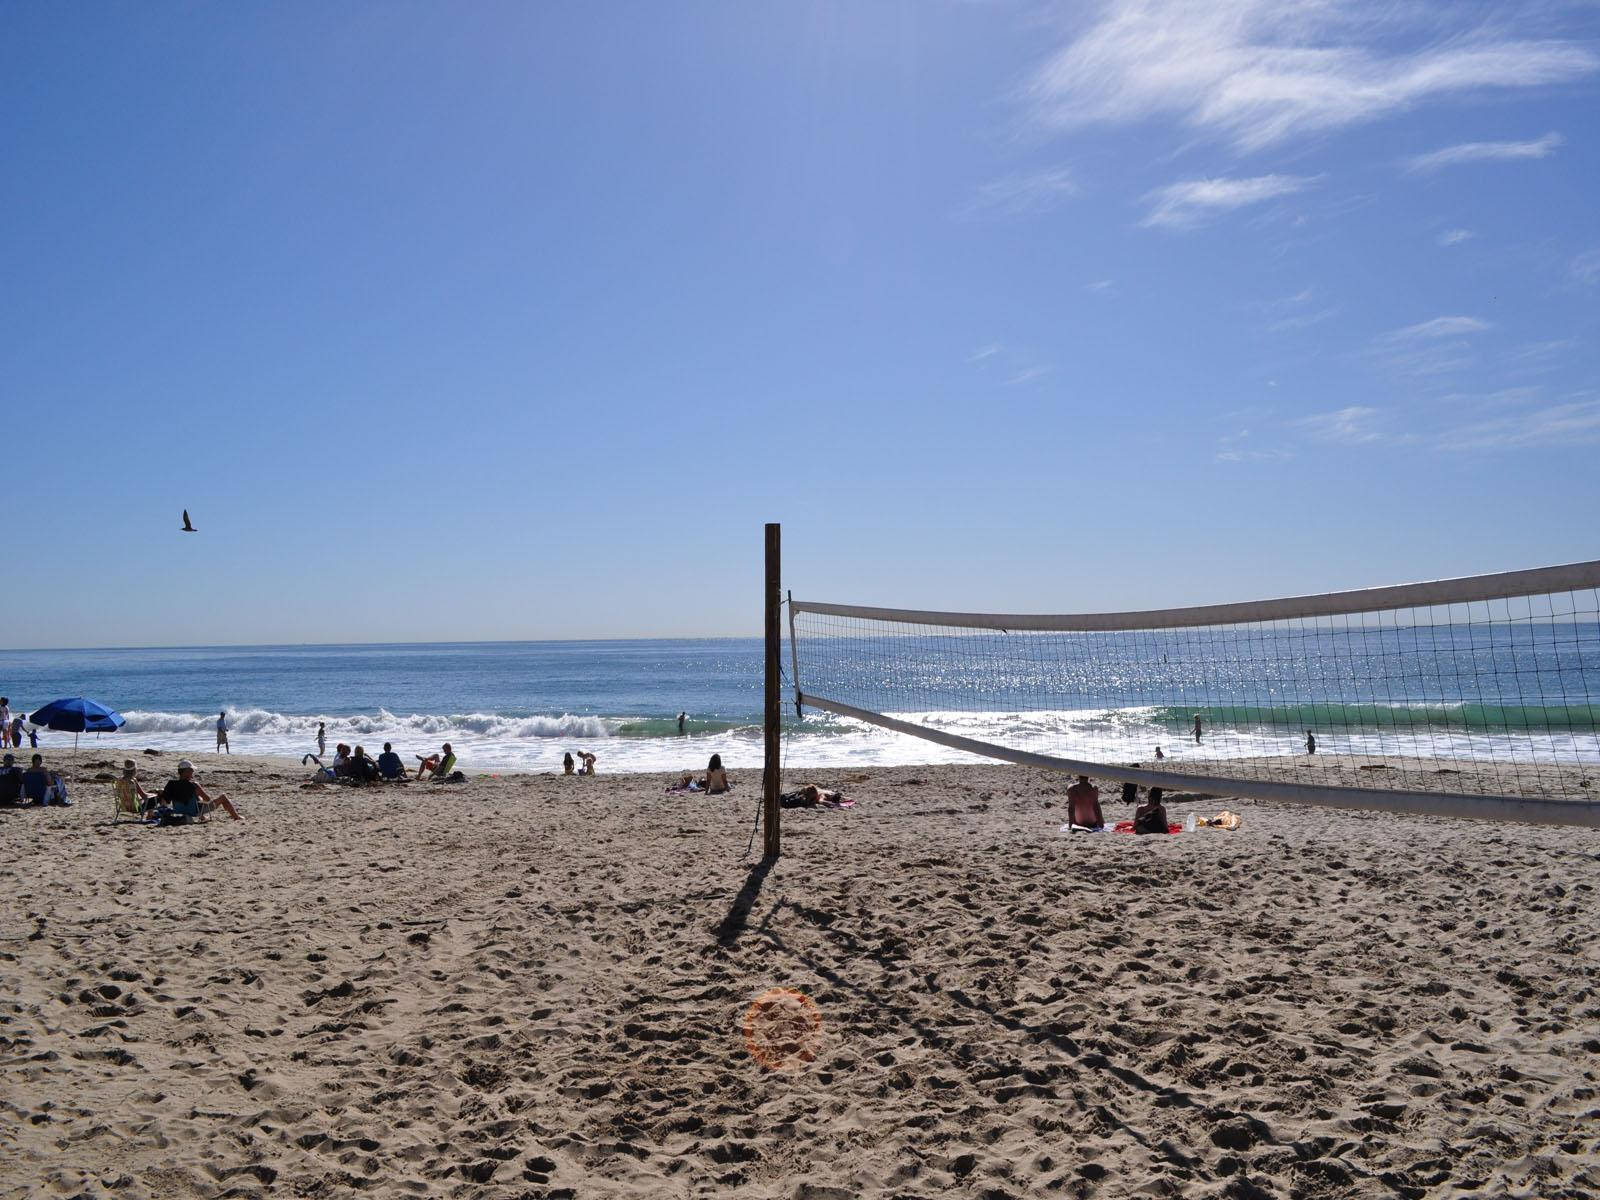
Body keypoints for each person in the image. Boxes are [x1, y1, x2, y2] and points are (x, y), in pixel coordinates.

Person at [158, 759, 241, 822]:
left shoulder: (171, 784)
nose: (193, 773)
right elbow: (208, 799)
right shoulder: (194, 785)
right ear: (187, 772)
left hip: (179, 811)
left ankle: (203, 817)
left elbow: (166, 800)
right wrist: (199, 798)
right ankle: (237, 817)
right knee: (223, 797)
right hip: (194, 812)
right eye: (192, 771)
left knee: (195, 800)